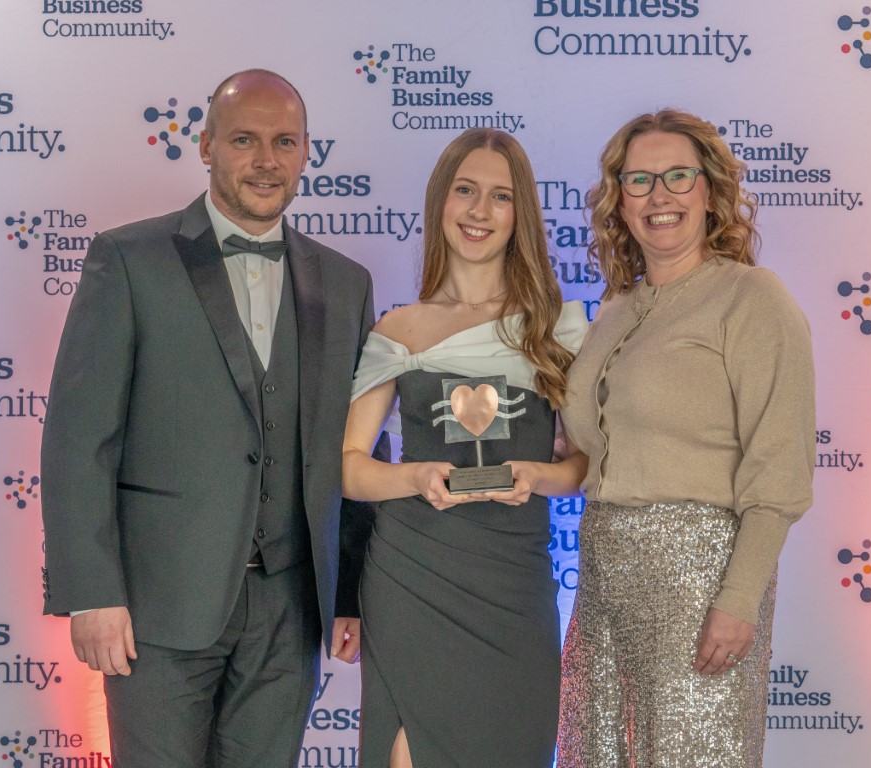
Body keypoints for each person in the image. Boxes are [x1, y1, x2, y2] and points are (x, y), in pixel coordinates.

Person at [40, 69, 383, 768]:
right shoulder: (128, 259)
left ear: (306, 151)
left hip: (291, 612)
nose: (266, 160)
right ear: (205, 146)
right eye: (244, 140)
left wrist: (349, 590)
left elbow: (355, 451)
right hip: (157, 606)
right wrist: (91, 593)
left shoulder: (347, 283)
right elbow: (80, 439)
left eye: (284, 142)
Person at [557, 109, 815, 767]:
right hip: (602, 581)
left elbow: (780, 471)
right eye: (639, 180)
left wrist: (739, 598)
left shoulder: (751, 298)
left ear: (710, 191)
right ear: (619, 200)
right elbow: (588, 450)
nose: (659, 195)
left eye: (678, 176)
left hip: (698, 579)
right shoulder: (613, 310)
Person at [342, 127, 589, 768]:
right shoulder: (397, 330)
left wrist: (538, 476)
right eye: (465, 190)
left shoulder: (556, 327)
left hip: (515, 587)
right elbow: (349, 468)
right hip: (413, 579)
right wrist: (415, 477)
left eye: (500, 196)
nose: (480, 211)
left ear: (520, 213)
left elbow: (584, 466)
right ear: (440, 202)